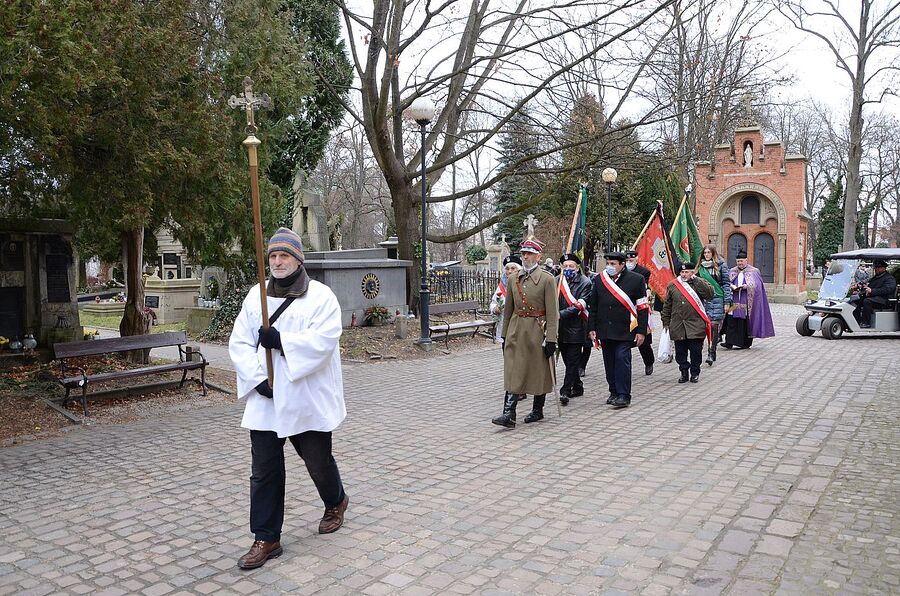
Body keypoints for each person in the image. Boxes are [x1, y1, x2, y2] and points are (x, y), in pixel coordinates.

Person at [229, 227, 348, 570]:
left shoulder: (321, 297)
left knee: (317, 461)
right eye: (273, 256)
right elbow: (239, 343)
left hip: (304, 396)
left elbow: (325, 341)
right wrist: (258, 379)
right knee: (264, 470)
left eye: (284, 256)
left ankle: (336, 500)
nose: (278, 262)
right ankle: (267, 537)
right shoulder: (256, 297)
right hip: (266, 399)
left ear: (298, 259)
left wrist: (281, 341)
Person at [492, 240, 560, 427]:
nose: (525, 257)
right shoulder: (514, 278)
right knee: (513, 369)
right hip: (516, 329)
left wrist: (552, 339)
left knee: (539, 370)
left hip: (538, 329)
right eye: (523, 253)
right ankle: (509, 414)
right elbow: (508, 311)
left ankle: (538, 410)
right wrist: (504, 335)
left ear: (538, 256)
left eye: (529, 254)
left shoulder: (547, 279)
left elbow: (553, 313)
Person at [588, 251, 649, 409]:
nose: (610, 267)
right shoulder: (600, 279)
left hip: (625, 330)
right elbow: (593, 305)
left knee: (622, 359)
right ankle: (613, 391)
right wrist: (592, 328)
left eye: (613, 264)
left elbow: (642, 307)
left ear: (622, 265)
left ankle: (624, 395)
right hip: (605, 328)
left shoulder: (636, 279)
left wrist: (641, 331)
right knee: (609, 362)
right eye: (608, 263)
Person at [661, 262, 715, 383]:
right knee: (680, 353)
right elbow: (667, 305)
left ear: (693, 272)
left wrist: (697, 280)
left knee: (696, 351)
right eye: (682, 272)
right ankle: (684, 371)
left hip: (695, 325)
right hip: (678, 325)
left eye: (687, 272)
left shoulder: (698, 283)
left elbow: (710, 294)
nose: (684, 274)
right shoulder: (673, 285)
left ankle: (695, 372)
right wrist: (665, 321)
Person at [556, 252, 592, 405]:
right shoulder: (557, 281)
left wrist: (558, 314)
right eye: (565, 266)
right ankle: (577, 386)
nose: (568, 269)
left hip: (577, 328)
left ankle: (565, 391)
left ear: (577, 268)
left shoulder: (585, 283)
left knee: (572, 362)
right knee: (567, 360)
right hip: (560, 329)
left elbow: (580, 305)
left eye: (571, 266)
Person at [722, 250, 774, 349]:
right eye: (738, 261)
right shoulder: (732, 270)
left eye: (741, 261)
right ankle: (729, 342)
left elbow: (758, 286)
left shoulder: (754, 271)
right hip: (734, 300)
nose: (739, 263)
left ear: (746, 260)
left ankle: (744, 343)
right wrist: (731, 286)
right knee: (731, 320)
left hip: (746, 301)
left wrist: (748, 286)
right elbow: (727, 282)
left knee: (743, 323)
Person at [697, 244, 733, 365]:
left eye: (709, 252)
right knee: (703, 327)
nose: (707, 254)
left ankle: (711, 352)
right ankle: (702, 350)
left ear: (713, 253)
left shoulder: (721, 266)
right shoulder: (700, 267)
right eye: (705, 253)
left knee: (714, 326)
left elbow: (726, 284)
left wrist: (727, 302)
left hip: (717, 298)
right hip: (703, 300)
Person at [625, 250, 655, 375]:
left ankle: (649, 362)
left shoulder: (643, 272)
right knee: (625, 341)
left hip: (638, 309)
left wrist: (647, 290)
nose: (628, 263)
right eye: (626, 261)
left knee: (644, 342)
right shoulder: (621, 272)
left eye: (631, 261)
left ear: (636, 259)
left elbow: (645, 286)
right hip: (625, 309)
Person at [855, 259, 897, 328]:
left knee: (867, 301)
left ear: (883, 268)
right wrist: (862, 287)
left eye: (878, 268)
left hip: (884, 300)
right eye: (876, 268)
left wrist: (872, 291)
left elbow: (887, 290)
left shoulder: (889, 278)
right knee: (857, 300)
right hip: (876, 298)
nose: (876, 269)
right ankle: (856, 320)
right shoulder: (876, 277)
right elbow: (869, 284)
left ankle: (866, 323)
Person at [490, 255, 523, 340]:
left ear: (519, 270)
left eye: (513, 268)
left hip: (520, 327)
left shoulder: (523, 284)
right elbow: (493, 303)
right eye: (507, 269)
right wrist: (495, 308)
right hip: (505, 327)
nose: (509, 271)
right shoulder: (501, 286)